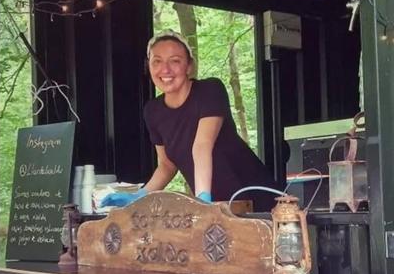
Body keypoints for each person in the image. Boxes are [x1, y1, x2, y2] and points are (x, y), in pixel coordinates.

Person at [101, 31, 283, 212]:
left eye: (175, 61)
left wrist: (202, 200)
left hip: (257, 200)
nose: (165, 69)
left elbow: (202, 145)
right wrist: (140, 196)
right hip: (216, 208)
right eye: (157, 61)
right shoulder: (153, 111)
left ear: (189, 66)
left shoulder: (209, 90)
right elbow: (166, 165)